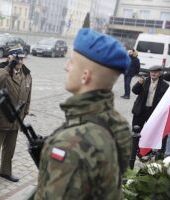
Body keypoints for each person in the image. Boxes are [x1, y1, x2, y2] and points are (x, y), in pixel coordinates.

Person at [34, 28, 132, 200]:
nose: (66, 67)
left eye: (71, 62)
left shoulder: (70, 144)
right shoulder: (118, 123)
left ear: (85, 76)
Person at [0, 45, 32, 186]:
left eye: (22, 58)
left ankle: (5, 171)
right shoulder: (2, 71)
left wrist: (25, 111)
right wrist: (8, 67)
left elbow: (28, 95)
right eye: (17, 58)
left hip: (17, 118)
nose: (20, 61)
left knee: (10, 148)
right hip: (1, 116)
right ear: (9, 58)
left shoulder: (27, 74)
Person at [132, 65, 169, 158]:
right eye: (151, 71)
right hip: (140, 110)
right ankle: (134, 149)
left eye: (155, 72)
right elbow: (135, 91)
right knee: (136, 130)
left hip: (153, 112)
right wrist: (139, 84)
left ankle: (146, 151)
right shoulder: (144, 81)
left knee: (150, 131)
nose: (153, 73)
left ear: (160, 73)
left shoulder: (165, 85)